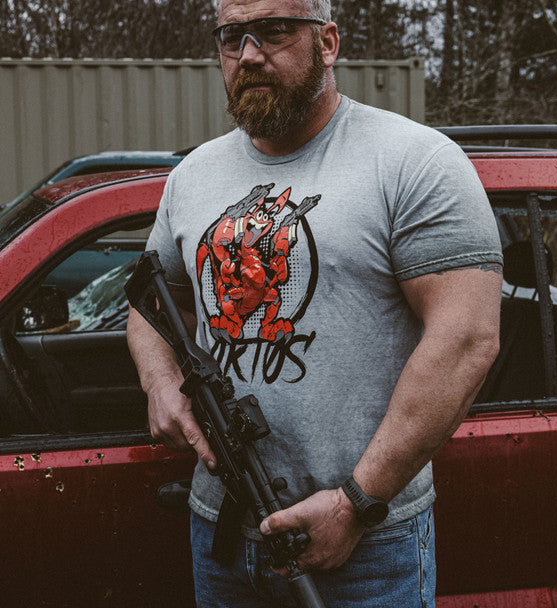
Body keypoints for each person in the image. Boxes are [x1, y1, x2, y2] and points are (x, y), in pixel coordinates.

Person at [126, 0, 503, 606]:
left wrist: (356, 503)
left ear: (327, 43)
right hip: (222, 529)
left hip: (367, 541)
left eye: (273, 31)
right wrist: (159, 380)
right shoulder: (192, 176)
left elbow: (467, 339)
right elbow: (150, 304)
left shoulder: (414, 161)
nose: (249, 54)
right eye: (232, 36)